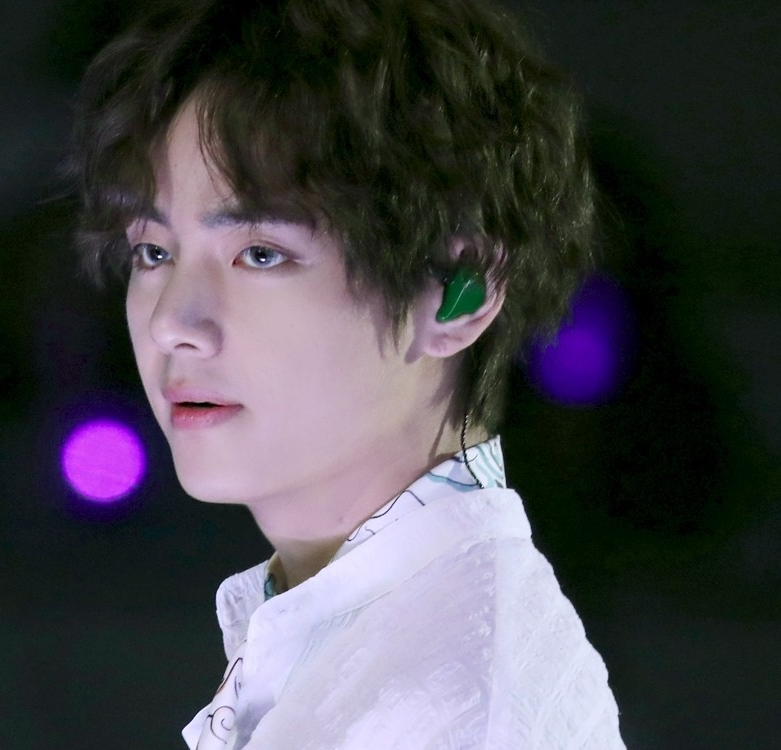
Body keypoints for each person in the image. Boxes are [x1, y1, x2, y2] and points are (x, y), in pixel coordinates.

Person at [70, 0, 626, 747]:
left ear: (455, 291)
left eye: (260, 253)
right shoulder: (377, 648)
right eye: (153, 252)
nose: (173, 321)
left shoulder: (451, 704)